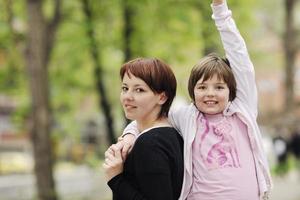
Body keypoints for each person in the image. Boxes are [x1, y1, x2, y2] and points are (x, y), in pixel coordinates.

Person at [120, 0, 273, 199]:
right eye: (202, 87)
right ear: (193, 91)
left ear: (231, 91)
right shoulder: (185, 117)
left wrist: (220, 10)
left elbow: (240, 58)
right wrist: (129, 136)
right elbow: (148, 119)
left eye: (218, 87)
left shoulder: (242, 110)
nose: (210, 93)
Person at [103, 58, 184, 200]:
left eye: (139, 90)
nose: (127, 97)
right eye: (125, 88)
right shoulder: (170, 134)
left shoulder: (150, 143)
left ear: (162, 97)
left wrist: (116, 179)